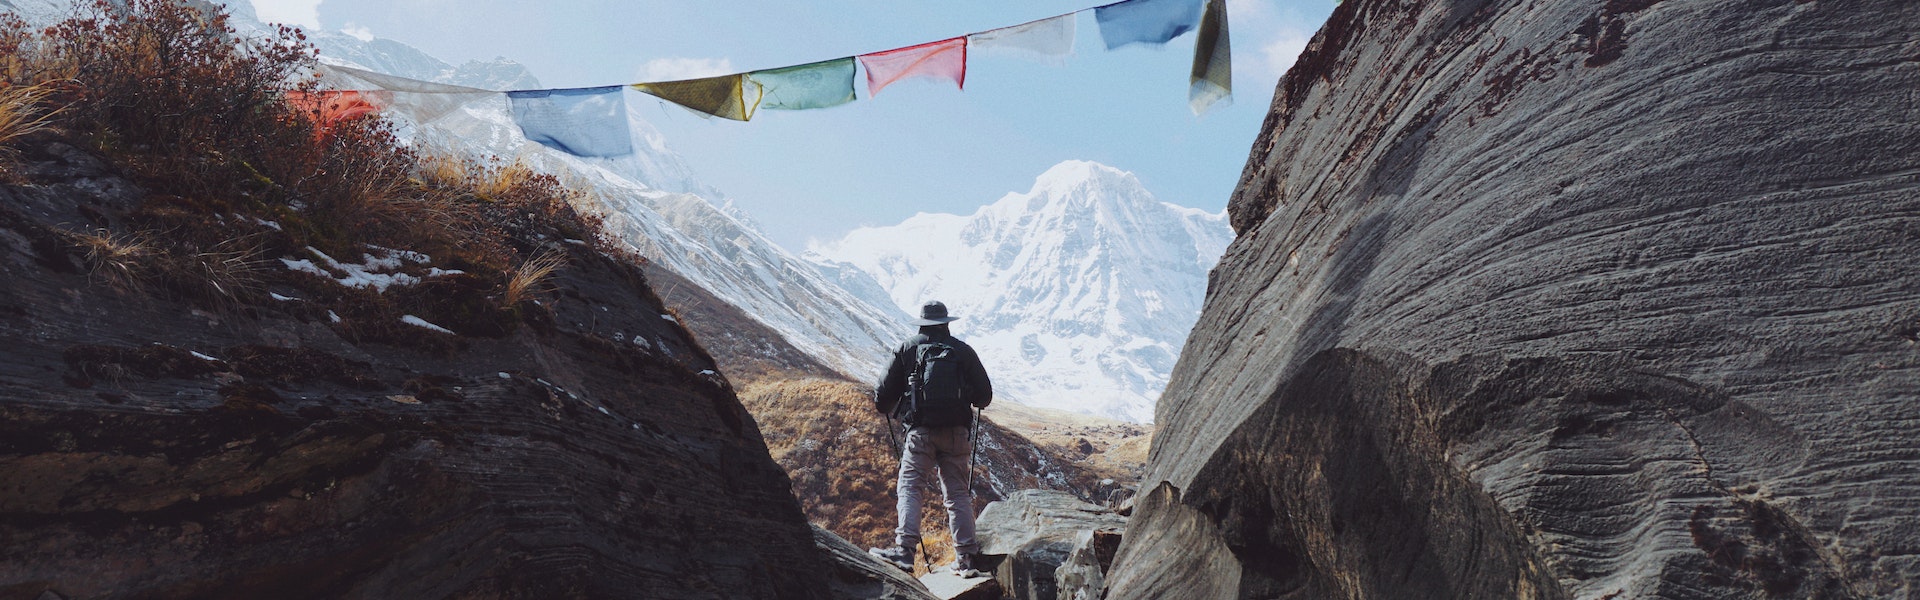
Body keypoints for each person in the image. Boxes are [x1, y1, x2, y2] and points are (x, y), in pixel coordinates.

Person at [868, 300, 993, 575]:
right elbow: (985, 396)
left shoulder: (906, 349)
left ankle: (904, 552)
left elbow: (881, 400)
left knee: (911, 488)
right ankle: (967, 559)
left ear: (922, 322)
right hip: (957, 435)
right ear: (947, 322)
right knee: (957, 493)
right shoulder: (963, 351)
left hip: (920, 434)